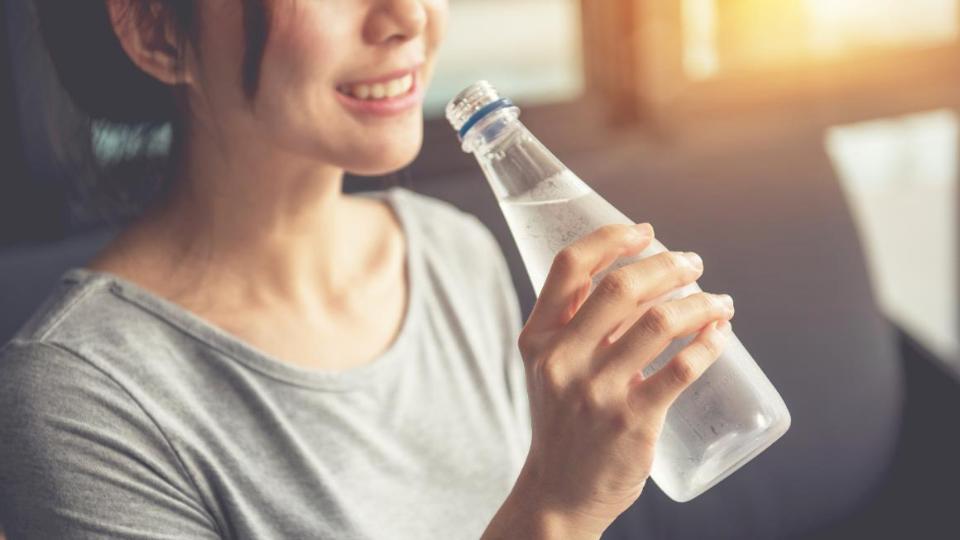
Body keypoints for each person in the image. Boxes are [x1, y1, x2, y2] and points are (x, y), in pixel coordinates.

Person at [0, 1, 735, 538]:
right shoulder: (77, 400)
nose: (408, 16)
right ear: (159, 32)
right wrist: (556, 510)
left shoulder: (452, 253)